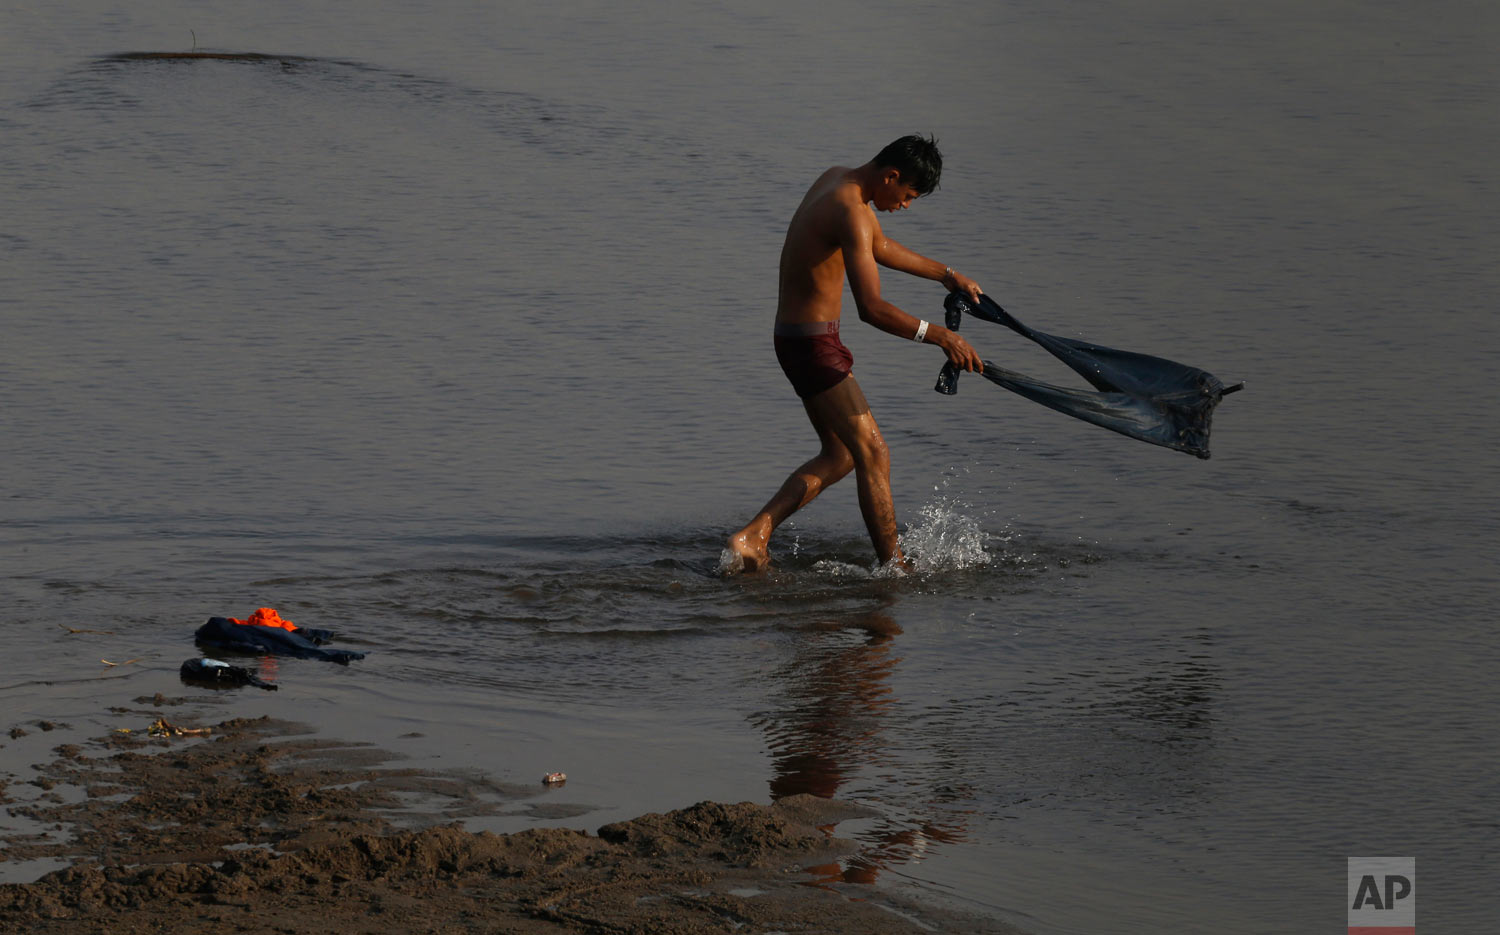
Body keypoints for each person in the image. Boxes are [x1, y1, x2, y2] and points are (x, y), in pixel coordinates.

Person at [724, 135, 984, 573]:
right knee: (873, 453)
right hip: (812, 346)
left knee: (842, 454)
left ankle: (754, 535)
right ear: (892, 176)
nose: (904, 207)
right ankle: (895, 569)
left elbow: (877, 247)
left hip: (800, 339)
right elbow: (872, 309)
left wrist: (947, 275)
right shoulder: (851, 209)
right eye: (907, 197)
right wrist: (941, 336)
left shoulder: (839, 181)